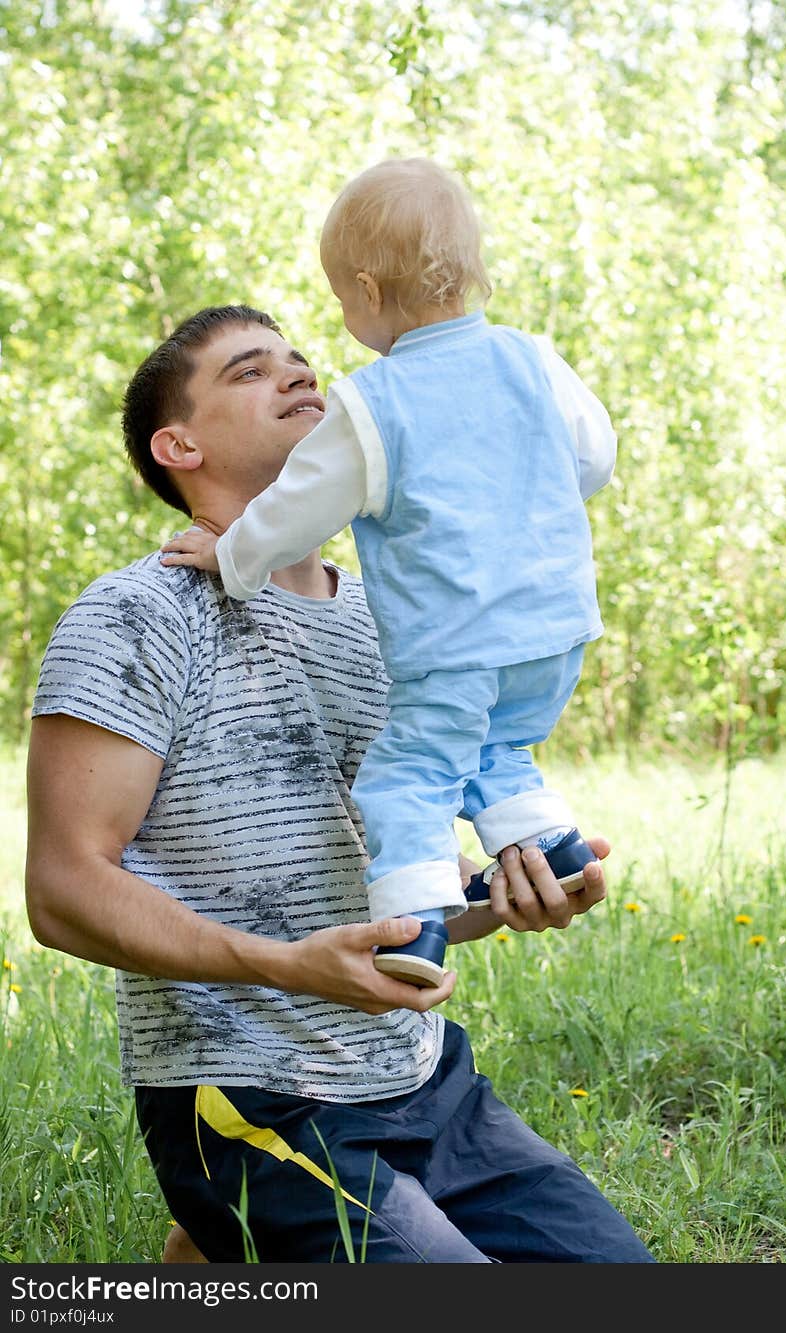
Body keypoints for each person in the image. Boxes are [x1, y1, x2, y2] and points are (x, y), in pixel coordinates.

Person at [25, 304, 654, 1264]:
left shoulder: (393, 618)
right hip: (247, 1093)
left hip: (423, 1080)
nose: (299, 376)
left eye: (301, 361)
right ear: (177, 443)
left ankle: (214, 1259)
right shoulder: (133, 614)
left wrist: (499, 896)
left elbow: (390, 894)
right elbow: (62, 890)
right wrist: (282, 965)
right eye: (249, 371)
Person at [160, 158, 618, 988]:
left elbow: (300, 507)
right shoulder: (532, 358)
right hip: (555, 634)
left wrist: (231, 556)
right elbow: (592, 458)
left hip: (456, 645)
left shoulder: (376, 402)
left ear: (367, 292)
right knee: (495, 742)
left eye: (338, 302)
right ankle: (548, 840)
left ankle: (412, 926)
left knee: (411, 768)